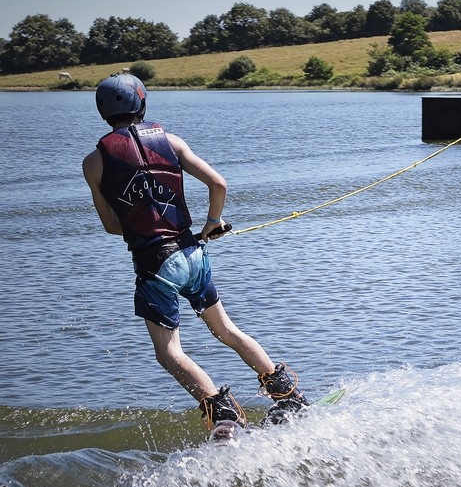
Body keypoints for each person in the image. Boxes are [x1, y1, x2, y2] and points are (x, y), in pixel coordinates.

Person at [82, 74, 308, 429]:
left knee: (169, 352)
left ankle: (224, 416)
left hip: (156, 265)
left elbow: (112, 226)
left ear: (103, 112)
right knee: (226, 330)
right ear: (141, 103)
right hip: (192, 254)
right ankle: (289, 396)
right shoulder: (170, 142)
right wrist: (212, 223)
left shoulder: (94, 163)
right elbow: (218, 183)